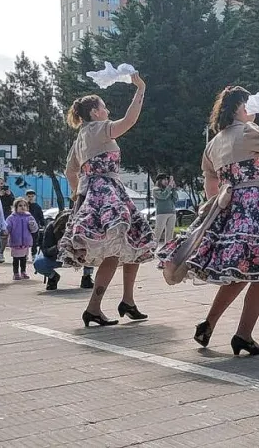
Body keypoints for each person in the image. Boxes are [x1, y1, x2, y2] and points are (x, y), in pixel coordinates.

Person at [164, 86, 259, 356]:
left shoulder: (214, 142)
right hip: (258, 206)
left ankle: (209, 323)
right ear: (239, 107)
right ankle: (243, 335)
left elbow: (210, 180)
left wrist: (218, 205)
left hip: (230, 207)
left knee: (239, 273)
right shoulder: (249, 133)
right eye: (249, 103)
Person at [59, 73, 155, 327]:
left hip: (95, 191)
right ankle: (94, 307)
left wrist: (79, 196)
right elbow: (130, 120)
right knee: (118, 245)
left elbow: (70, 171)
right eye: (103, 107)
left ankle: (127, 301)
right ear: (94, 112)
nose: (107, 110)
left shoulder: (80, 138)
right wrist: (140, 89)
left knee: (132, 242)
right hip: (108, 189)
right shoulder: (99, 129)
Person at [33, 209, 95, 290]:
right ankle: (53, 277)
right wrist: (57, 248)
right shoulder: (50, 228)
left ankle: (87, 277)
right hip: (57, 258)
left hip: (78, 257)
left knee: (92, 253)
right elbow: (46, 251)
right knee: (39, 263)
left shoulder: (82, 227)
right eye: (63, 230)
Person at [5, 198, 39, 280]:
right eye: (20, 205)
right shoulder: (11, 218)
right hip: (16, 242)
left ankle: (23, 272)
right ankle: (16, 273)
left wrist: (32, 224)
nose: (22, 207)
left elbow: (34, 229)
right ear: (15, 207)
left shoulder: (29, 217)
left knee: (24, 258)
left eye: (24, 205)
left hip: (25, 242)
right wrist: (4, 231)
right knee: (16, 259)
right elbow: (7, 227)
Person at [0, 177, 15, 263]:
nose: (0, 185)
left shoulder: (8, 192)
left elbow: (13, 203)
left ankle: (1, 253)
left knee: (4, 235)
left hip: (6, 215)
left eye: (1, 183)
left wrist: (9, 195)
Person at [152, 174, 178, 244]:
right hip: (161, 213)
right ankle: (152, 248)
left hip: (172, 212)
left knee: (170, 233)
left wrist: (173, 189)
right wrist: (169, 187)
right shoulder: (156, 190)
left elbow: (175, 199)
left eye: (167, 180)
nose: (166, 181)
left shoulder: (169, 189)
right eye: (164, 180)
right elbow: (163, 196)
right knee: (158, 232)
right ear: (159, 181)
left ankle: (167, 249)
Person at [25, 190, 46, 255]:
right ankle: (25, 254)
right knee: (25, 240)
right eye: (29, 196)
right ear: (26, 197)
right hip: (25, 226)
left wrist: (43, 224)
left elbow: (41, 216)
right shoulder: (24, 206)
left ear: (35, 197)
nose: (30, 198)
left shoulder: (37, 206)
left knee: (34, 241)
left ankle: (34, 254)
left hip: (35, 226)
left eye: (32, 196)